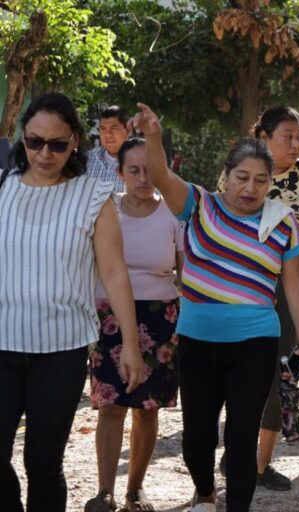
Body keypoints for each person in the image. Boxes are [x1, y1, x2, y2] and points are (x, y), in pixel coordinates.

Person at [129, 103, 299, 512]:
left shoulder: (282, 222)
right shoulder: (198, 204)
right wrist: (154, 137)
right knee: (197, 439)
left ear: (270, 184)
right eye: (242, 177)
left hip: (256, 342)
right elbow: (160, 174)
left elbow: (294, 285)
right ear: (226, 175)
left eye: (261, 181)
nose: (250, 188)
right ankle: (206, 491)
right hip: (199, 340)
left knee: (241, 438)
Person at [0, 92, 143, 512]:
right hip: (1, 345)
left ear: (76, 141)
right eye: (34, 141)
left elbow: (114, 273)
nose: (44, 153)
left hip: (61, 349)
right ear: (22, 137)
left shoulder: (93, 196)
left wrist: (131, 345)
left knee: (43, 463)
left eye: (57, 144)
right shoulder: (2, 187)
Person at [84, 138, 185, 512]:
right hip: (109, 316)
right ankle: (105, 492)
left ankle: (134, 491)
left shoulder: (174, 214)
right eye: (134, 170)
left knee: (147, 408)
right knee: (110, 406)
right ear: (119, 173)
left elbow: (186, 274)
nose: (144, 178)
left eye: (150, 170)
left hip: (161, 319)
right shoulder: (103, 211)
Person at [252, 105, 299, 488]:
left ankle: (261, 464)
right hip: (247, 285)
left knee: (284, 372)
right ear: (263, 137)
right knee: (248, 373)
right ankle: (241, 453)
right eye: (287, 136)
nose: (296, 144)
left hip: (294, 286)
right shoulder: (243, 172)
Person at [87, 106, 130, 193]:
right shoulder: (87, 159)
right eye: (103, 129)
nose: (108, 134)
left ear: (128, 131)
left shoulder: (141, 162)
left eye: (114, 128)